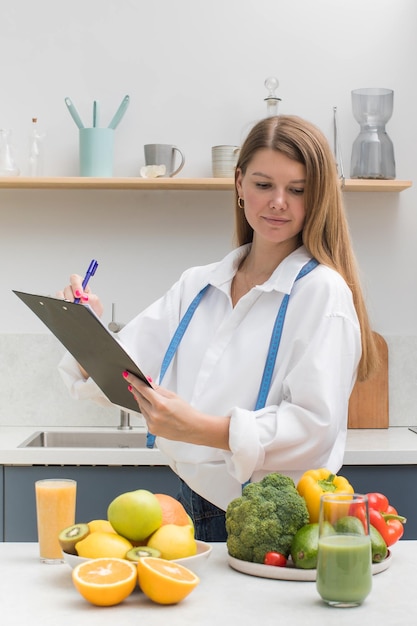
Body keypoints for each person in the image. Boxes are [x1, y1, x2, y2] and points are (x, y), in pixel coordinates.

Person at [58, 115, 379, 542]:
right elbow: (126, 371)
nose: (278, 201)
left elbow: (315, 428)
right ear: (240, 184)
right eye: (264, 185)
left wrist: (198, 428)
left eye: (297, 190)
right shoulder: (198, 285)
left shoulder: (322, 292)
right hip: (187, 503)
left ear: (316, 197)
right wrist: (86, 330)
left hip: (269, 520)